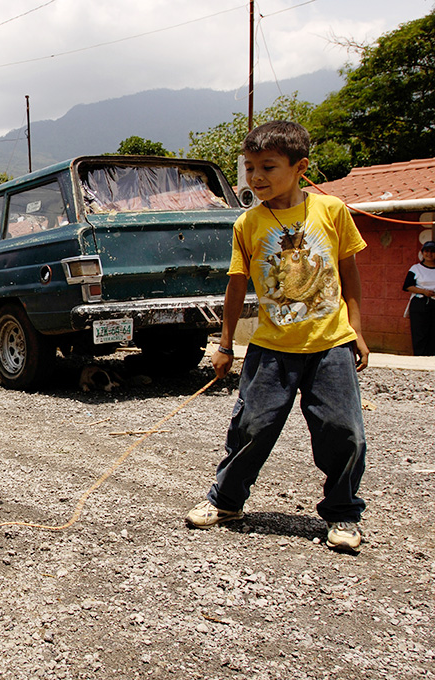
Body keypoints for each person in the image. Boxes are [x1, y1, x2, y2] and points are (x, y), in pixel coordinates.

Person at [185, 120, 369, 554]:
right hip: (271, 348)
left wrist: (357, 330)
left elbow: (349, 273)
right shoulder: (247, 223)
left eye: (268, 167)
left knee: (343, 430)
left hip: (330, 343)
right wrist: (225, 344)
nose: (256, 177)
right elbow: (236, 285)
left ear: (300, 167)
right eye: (249, 168)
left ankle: (343, 513)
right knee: (251, 426)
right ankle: (226, 501)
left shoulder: (332, 211)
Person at [402, 240, 435, 356]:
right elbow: (407, 286)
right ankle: (419, 357)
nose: (429, 254)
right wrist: (424, 292)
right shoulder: (416, 268)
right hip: (420, 303)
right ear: (422, 253)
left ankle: (431, 358)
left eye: (432, 251)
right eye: (427, 251)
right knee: (419, 332)